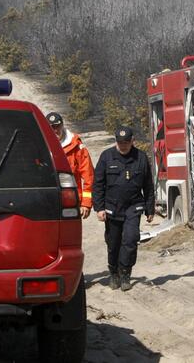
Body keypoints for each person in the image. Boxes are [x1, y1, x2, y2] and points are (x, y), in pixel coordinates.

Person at [92, 126, 155, 291]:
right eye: (120, 142)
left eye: (126, 142)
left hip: (133, 206)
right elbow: (98, 184)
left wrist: (150, 208)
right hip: (112, 207)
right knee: (113, 243)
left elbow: (148, 185)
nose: (124, 145)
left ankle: (126, 273)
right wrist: (99, 208)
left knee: (131, 239)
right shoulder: (107, 157)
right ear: (116, 141)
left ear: (132, 141)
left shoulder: (140, 157)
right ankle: (114, 273)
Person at [46, 112, 94, 219]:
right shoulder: (40, 145)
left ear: (62, 125)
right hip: (48, 202)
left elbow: (89, 176)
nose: (55, 130)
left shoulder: (76, 145)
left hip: (70, 202)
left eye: (57, 126)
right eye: (51, 127)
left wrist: (86, 203)